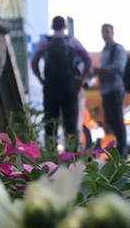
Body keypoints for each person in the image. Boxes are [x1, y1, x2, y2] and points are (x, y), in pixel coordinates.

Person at [30, 16, 92, 150]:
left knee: (50, 122)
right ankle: (72, 154)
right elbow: (87, 59)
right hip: (69, 87)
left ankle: (50, 153)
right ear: (64, 26)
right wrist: (81, 79)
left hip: (51, 87)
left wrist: (41, 78)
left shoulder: (44, 42)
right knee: (71, 122)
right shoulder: (72, 41)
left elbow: (34, 61)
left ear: (52, 26)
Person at [97, 23, 128, 157]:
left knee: (117, 119)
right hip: (105, 90)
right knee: (110, 120)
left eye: (107, 31)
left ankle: (121, 151)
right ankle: (118, 150)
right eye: (102, 32)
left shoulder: (118, 49)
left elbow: (118, 67)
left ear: (112, 33)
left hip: (115, 89)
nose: (104, 34)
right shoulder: (104, 51)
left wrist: (101, 70)